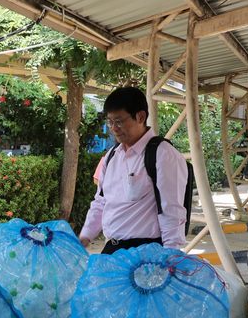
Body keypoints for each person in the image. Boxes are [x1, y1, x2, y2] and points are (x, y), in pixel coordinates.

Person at [79, 86, 188, 254]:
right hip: (113, 249)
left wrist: (169, 256)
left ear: (140, 117)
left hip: (146, 253)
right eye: (110, 122)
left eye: (119, 121)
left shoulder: (163, 154)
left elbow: (172, 211)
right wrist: (84, 237)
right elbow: (101, 202)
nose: (114, 128)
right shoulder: (112, 156)